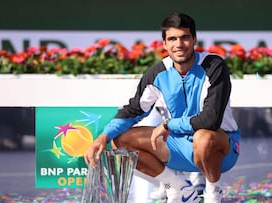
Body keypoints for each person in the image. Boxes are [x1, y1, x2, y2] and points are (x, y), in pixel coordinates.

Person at [84, 12, 241, 203]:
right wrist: (103, 137)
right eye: (172, 39)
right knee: (121, 141)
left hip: (222, 149)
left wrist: (168, 125)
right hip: (179, 146)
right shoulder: (157, 73)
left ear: (194, 40)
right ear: (164, 44)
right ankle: (177, 187)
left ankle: (212, 193)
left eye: (185, 38)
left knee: (203, 137)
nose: (179, 44)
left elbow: (210, 119)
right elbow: (134, 110)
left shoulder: (214, 65)